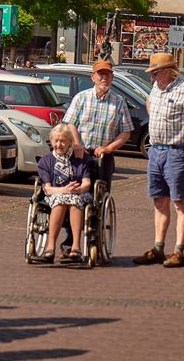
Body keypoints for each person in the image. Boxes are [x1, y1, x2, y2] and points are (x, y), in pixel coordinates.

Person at [134, 53, 184, 268]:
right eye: (151, 73)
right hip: (156, 151)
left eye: (155, 72)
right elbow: (149, 102)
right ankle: (158, 248)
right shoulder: (157, 86)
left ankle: (179, 251)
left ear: (169, 71)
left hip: (176, 152)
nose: (152, 77)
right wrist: (156, 116)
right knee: (159, 200)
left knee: (179, 201)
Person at [63, 59, 134, 192]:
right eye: (101, 74)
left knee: (100, 194)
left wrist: (108, 148)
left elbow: (125, 133)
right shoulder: (81, 97)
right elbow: (70, 124)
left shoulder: (119, 102)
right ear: (93, 77)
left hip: (104, 157)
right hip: (79, 153)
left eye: (107, 74)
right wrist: (77, 144)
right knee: (76, 192)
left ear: (112, 78)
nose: (104, 78)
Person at [35, 124, 93, 263]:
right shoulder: (45, 161)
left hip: (78, 193)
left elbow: (87, 183)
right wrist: (64, 190)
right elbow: (48, 189)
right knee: (60, 201)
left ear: (70, 142)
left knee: (74, 201)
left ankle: (75, 247)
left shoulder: (80, 159)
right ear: (51, 141)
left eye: (62, 141)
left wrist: (78, 190)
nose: (58, 144)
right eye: (56, 141)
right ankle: (50, 247)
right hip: (56, 194)